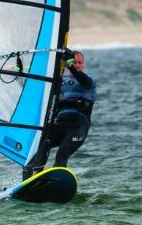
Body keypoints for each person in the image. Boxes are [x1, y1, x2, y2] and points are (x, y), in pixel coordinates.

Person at [23, 50, 94, 180]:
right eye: (75, 62)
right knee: (37, 150)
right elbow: (35, 85)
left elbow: (84, 80)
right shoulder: (57, 81)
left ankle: (57, 184)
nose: (78, 65)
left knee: (62, 154)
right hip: (59, 124)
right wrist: (20, 73)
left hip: (78, 127)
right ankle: (30, 181)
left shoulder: (89, 81)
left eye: (80, 63)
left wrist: (69, 65)